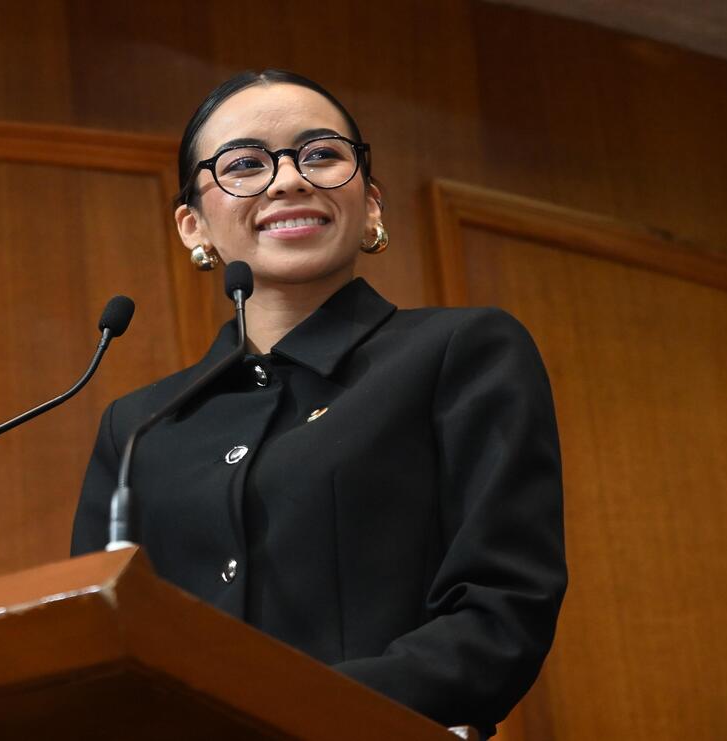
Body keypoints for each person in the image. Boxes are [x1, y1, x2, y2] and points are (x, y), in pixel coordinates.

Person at [71, 69, 566, 737]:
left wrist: (281, 712)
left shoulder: (460, 351)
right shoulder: (137, 427)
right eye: (245, 163)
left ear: (369, 204)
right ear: (193, 225)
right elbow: (97, 651)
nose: (287, 179)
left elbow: (499, 613)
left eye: (320, 154)